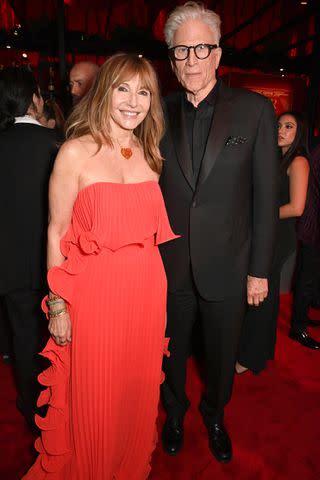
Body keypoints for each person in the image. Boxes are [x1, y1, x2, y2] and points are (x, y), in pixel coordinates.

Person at [23, 53, 178, 480]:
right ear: (104, 92)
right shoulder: (75, 152)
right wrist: (57, 307)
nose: (133, 101)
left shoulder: (151, 154)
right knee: (93, 397)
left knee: (135, 394)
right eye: (122, 88)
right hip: (94, 296)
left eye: (144, 91)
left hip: (147, 295)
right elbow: (56, 232)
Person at [159, 1, 278, 463]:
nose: (191, 60)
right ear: (171, 58)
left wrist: (259, 270)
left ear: (218, 53)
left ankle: (214, 415)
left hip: (230, 264)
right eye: (181, 50)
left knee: (222, 354)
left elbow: (266, 197)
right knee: (170, 353)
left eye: (201, 48)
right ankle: (173, 414)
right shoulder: (155, 111)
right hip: (168, 264)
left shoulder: (253, 111)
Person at [0, 66, 59, 429]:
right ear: (35, 99)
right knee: (59, 339)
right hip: (55, 265)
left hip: (9, 264)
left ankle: (30, 405)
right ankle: (59, 405)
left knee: (23, 337)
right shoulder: (59, 144)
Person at [237, 111, 310, 373]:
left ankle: (249, 357)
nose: (281, 130)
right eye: (279, 125)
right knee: (262, 293)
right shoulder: (277, 158)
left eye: (288, 126)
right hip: (269, 231)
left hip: (280, 235)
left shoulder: (298, 160)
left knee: (261, 294)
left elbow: (297, 207)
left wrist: (260, 213)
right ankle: (259, 350)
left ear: (298, 131)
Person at [290, 143, 320, 348]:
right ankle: (298, 328)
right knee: (306, 276)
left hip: (313, 222)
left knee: (308, 274)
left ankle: (302, 316)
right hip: (313, 223)